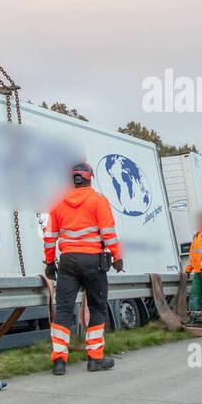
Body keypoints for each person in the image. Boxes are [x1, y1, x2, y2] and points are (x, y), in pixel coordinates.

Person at [43, 161, 124, 376]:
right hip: (93, 261)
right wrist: (117, 256)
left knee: (63, 309)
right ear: (90, 178)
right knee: (97, 308)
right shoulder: (98, 200)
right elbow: (108, 232)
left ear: (73, 179)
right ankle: (95, 359)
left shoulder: (59, 202)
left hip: (68, 261)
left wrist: (50, 262)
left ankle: (59, 361)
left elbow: (50, 237)